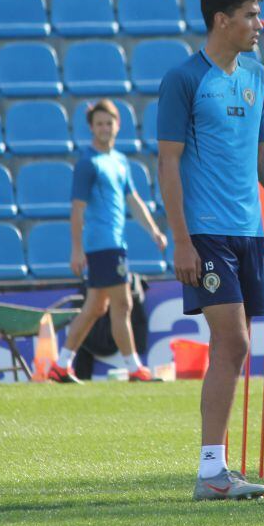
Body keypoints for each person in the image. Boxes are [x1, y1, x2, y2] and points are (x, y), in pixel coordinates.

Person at [157, 0, 264, 501]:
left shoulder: (254, 73)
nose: (259, 25)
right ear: (221, 20)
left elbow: (259, 153)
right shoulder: (182, 79)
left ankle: (215, 471)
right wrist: (180, 240)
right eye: (250, 15)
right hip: (205, 234)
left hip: (247, 232)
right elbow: (168, 162)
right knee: (234, 341)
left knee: (232, 347)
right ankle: (211, 472)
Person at [48, 99, 168, 384]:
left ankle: (62, 364)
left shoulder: (119, 161)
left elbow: (133, 200)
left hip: (115, 242)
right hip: (102, 243)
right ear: (91, 128)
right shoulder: (88, 163)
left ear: (118, 125)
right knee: (123, 303)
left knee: (95, 308)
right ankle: (134, 367)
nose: (105, 128)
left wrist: (153, 230)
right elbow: (77, 209)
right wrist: (77, 249)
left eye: (109, 122)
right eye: (99, 123)